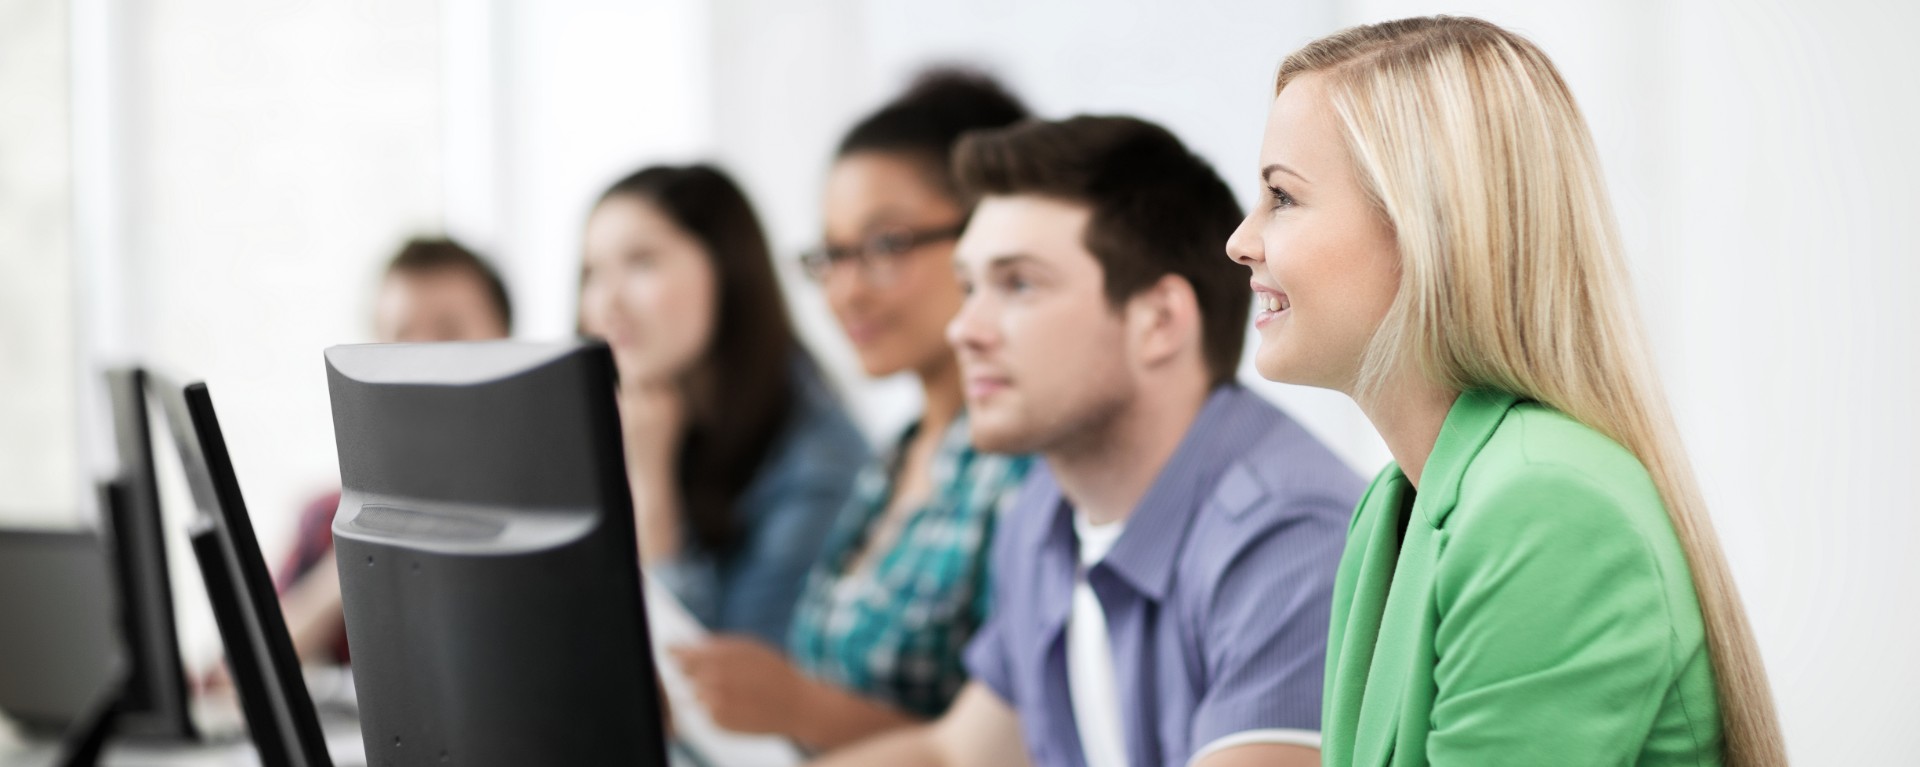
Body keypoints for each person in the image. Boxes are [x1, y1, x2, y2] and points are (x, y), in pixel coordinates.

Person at [1223, 16, 1787, 766]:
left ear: (1427, 224)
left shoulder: (1546, 503)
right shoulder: (1393, 506)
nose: (1241, 240)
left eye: (1281, 198)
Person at [815, 115, 1362, 767]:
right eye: (969, 287)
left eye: (1018, 283)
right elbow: (954, 753)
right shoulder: (1046, 509)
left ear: (1159, 321)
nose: (965, 329)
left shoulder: (1290, 539)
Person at [671, 69, 1035, 752]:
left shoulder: (1024, 469)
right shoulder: (894, 457)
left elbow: (1019, 745)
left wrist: (799, 706)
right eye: (832, 254)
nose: (845, 291)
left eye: (886, 245)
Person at [578, 163, 868, 646]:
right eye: (592, 273)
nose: (607, 302)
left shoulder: (819, 463)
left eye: (642, 262)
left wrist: (651, 487)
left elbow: (718, 690)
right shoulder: (623, 421)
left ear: (727, 270)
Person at [277, 236, 514, 663]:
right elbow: (250, 669)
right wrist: (355, 553)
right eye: (401, 335)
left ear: (506, 342)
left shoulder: (542, 504)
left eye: (449, 331)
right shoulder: (326, 517)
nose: (419, 358)